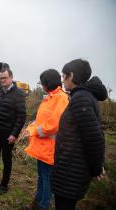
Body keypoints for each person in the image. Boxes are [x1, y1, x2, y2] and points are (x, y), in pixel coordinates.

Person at [51, 59, 108, 210]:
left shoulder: (81, 98)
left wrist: (97, 167)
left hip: (71, 171)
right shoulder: (84, 96)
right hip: (71, 168)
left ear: (72, 76)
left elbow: (94, 138)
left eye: (64, 76)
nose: (62, 80)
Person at [23, 69, 69, 210]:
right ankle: (37, 202)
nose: (41, 86)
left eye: (42, 83)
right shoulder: (49, 97)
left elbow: (54, 125)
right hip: (42, 148)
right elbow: (40, 119)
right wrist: (30, 128)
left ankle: (43, 206)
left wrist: (34, 131)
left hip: (51, 150)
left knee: (47, 178)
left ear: (48, 83)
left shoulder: (61, 98)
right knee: (42, 177)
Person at [0, 63, 26, 194]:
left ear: (11, 78)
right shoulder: (0, 92)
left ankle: (4, 185)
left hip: (8, 133)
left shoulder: (18, 94)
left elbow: (21, 117)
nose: (2, 80)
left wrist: (14, 134)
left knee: (6, 158)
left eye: (4, 78)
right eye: (1, 78)